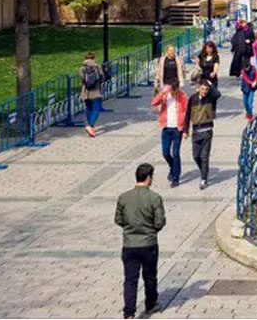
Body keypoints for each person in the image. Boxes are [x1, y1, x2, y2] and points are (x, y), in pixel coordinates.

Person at [115, 163, 166, 320]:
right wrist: (150, 231)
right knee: (150, 276)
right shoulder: (154, 198)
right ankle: (151, 304)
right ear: (149, 178)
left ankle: (129, 312)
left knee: (130, 279)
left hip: (129, 245)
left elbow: (118, 219)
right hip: (148, 244)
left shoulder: (123, 197)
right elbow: (159, 222)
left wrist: (130, 229)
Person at [182, 79, 220, 189]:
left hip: (207, 130)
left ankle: (204, 178)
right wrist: (185, 130)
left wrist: (211, 84)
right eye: (202, 89)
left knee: (204, 156)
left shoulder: (210, 98)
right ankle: (204, 169)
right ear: (198, 88)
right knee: (196, 156)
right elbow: (188, 115)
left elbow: (218, 94)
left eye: (206, 89)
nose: (204, 91)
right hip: (196, 131)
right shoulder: (192, 99)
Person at [150, 84, 186, 187]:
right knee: (165, 152)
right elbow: (153, 103)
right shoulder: (165, 95)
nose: (173, 93)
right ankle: (172, 167)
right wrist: (162, 92)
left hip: (177, 129)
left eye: (174, 91)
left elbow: (187, 112)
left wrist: (185, 129)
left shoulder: (182, 96)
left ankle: (176, 177)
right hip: (166, 128)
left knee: (175, 153)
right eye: (171, 91)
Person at [79, 52, 104, 137]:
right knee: (96, 109)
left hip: (86, 92)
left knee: (89, 109)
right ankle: (90, 126)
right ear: (94, 58)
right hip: (96, 91)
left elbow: (82, 79)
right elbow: (102, 78)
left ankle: (91, 128)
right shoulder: (97, 67)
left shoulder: (82, 68)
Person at [239, 58, 257, 122]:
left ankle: (250, 115)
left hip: (251, 89)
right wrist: (252, 82)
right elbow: (246, 79)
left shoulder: (253, 69)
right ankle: (248, 112)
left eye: (247, 67)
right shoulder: (243, 71)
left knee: (249, 103)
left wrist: (255, 81)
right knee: (245, 103)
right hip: (245, 88)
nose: (246, 69)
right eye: (245, 68)